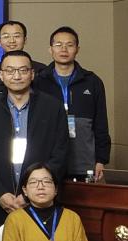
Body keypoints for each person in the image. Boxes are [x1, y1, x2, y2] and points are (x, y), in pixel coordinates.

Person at [0, 51, 68, 228]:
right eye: (10, 71)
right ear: (1, 75)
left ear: (32, 74)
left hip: (41, 200)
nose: (16, 76)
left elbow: (60, 153)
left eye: (23, 70)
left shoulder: (52, 107)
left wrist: (29, 194)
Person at [33, 27, 111, 181]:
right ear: (50, 49)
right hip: (47, 161)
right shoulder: (39, 81)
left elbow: (101, 123)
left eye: (69, 45)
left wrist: (101, 159)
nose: (64, 49)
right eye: (58, 45)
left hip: (84, 161)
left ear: (77, 49)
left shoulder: (92, 81)